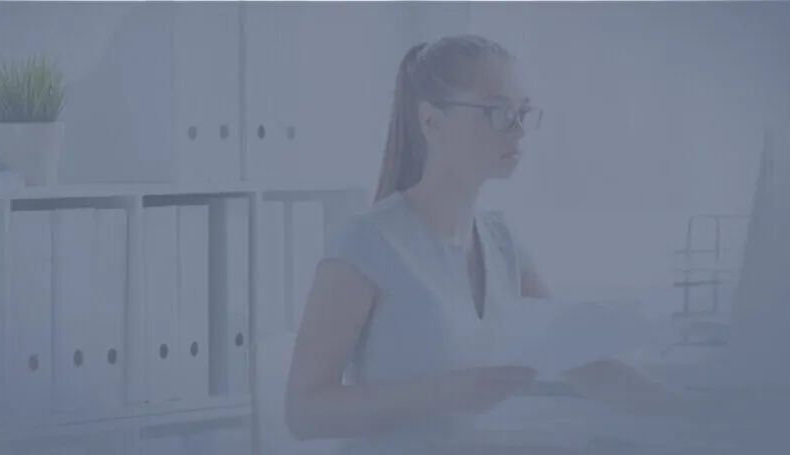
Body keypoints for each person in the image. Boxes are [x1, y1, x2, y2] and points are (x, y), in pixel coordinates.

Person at [282, 34, 683, 455]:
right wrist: (440, 393)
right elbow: (304, 413)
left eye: (522, 112)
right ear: (432, 122)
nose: (518, 128)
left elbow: (578, 360)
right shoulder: (365, 242)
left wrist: (697, 414)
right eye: (497, 111)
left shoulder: (502, 241)